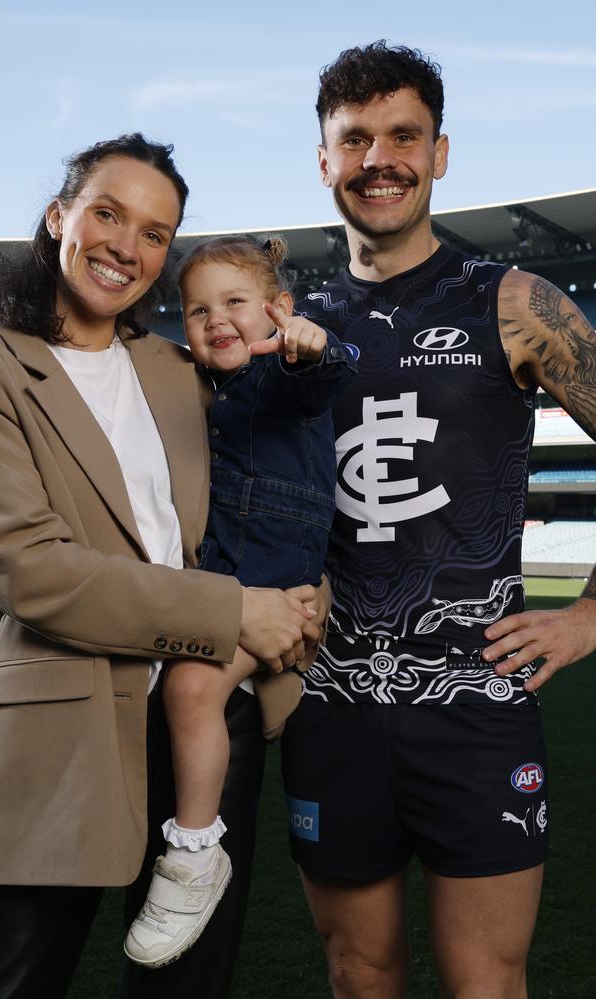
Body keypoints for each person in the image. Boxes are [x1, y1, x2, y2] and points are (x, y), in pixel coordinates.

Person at [0, 133, 324, 999]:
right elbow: (29, 572)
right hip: (61, 724)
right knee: (11, 982)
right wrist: (236, 611)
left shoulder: (175, 369)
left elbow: (265, 491)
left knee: (186, 988)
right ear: (59, 217)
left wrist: (303, 608)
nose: (127, 245)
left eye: (155, 233)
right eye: (107, 214)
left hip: (207, 708)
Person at [280, 41, 596, 998]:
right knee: (356, 971)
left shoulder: (514, 303)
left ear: (441, 152)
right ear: (324, 159)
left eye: (404, 135)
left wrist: (589, 615)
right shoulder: (292, 327)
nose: (381, 158)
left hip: (477, 706)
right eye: (356, 138)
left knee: (486, 980)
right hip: (329, 707)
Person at [123, 234, 356, 968]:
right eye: (197, 310)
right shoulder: (207, 393)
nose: (216, 319)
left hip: (273, 584)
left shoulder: (282, 375)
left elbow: (323, 378)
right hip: (226, 581)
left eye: (235, 303)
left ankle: (194, 852)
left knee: (192, 687)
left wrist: (311, 347)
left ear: (279, 311)